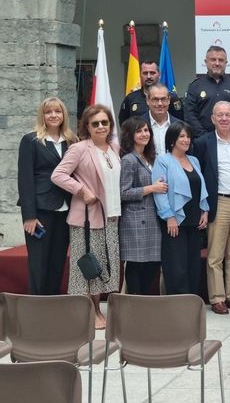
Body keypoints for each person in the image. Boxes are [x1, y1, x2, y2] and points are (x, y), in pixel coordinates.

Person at [51, 104, 122, 329]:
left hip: (111, 216)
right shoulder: (80, 149)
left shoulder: (114, 148)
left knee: (103, 264)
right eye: (96, 123)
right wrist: (82, 190)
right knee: (87, 265)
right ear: (87, 127)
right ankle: (87, 312)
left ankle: (98, 309)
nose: (101, 127)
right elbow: (58, 175)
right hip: (87, 219)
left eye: (105, 122)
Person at [192, 101, 230, 314]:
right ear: (212, 118)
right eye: (220, 115)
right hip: (219, 202)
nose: (224, 118)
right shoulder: (202, 143)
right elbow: (198, 177)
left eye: (228, 114)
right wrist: (203, 206)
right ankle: (217, 298)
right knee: (216, 255)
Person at [17, 97, 76, 295]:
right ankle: (36, 307)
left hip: (65, 210)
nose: (53, 115)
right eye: (48, 112)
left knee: (57, 262)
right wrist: (29, 215)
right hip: (40, 211)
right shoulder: (31, 140)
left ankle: (52, 306)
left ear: (63, 115)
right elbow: (25, 180)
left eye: (57, 111)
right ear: (42, 115)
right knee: (38, 263)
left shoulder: (72, 141)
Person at [153, 122, 209, 296]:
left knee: (193, 264)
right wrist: (169, 216)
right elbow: (160, 193)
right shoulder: (163, 160)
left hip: (194, 220)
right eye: (181, 136)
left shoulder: (194, 160)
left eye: (188, 136)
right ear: (172, 140)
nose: (186, 140)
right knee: (176, 266)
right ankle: (177, 303)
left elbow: (201, 188)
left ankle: (191, 301)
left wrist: (204, 211)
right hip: (175, 220)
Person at [119, 117, 167, 295]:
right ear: (130, 135)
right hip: (134, 220)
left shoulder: (152, 158)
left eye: (146, 130)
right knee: (136, 264)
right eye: (139, 131)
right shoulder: (129, 160)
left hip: (152, 219)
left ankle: (143, 304)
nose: (144, 134)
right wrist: (151, 188)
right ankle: (134, 304)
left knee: (153, 264)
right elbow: (123, 192)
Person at [184, 46, 230, 138]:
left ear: (226, 63)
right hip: (202, 141)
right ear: (206, 62)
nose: (217, 63)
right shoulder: (195, 86)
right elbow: (190, 115)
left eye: (221, 60)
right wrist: (204, 137)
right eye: (213, 60)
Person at [119, 60, 183, 123]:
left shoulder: (171, 98)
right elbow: (124, 123)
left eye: (152, 73)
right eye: (145, 73)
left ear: (159, 74)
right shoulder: (131, 98)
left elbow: (179, 122)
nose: (149, 76)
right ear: (140, 75)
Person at [143, 83, 181, 156]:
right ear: (148, 100)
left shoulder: (180, 126)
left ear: (169, 100)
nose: (160, 103)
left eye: (163, 99)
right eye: (155, 99)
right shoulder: (137, 125)